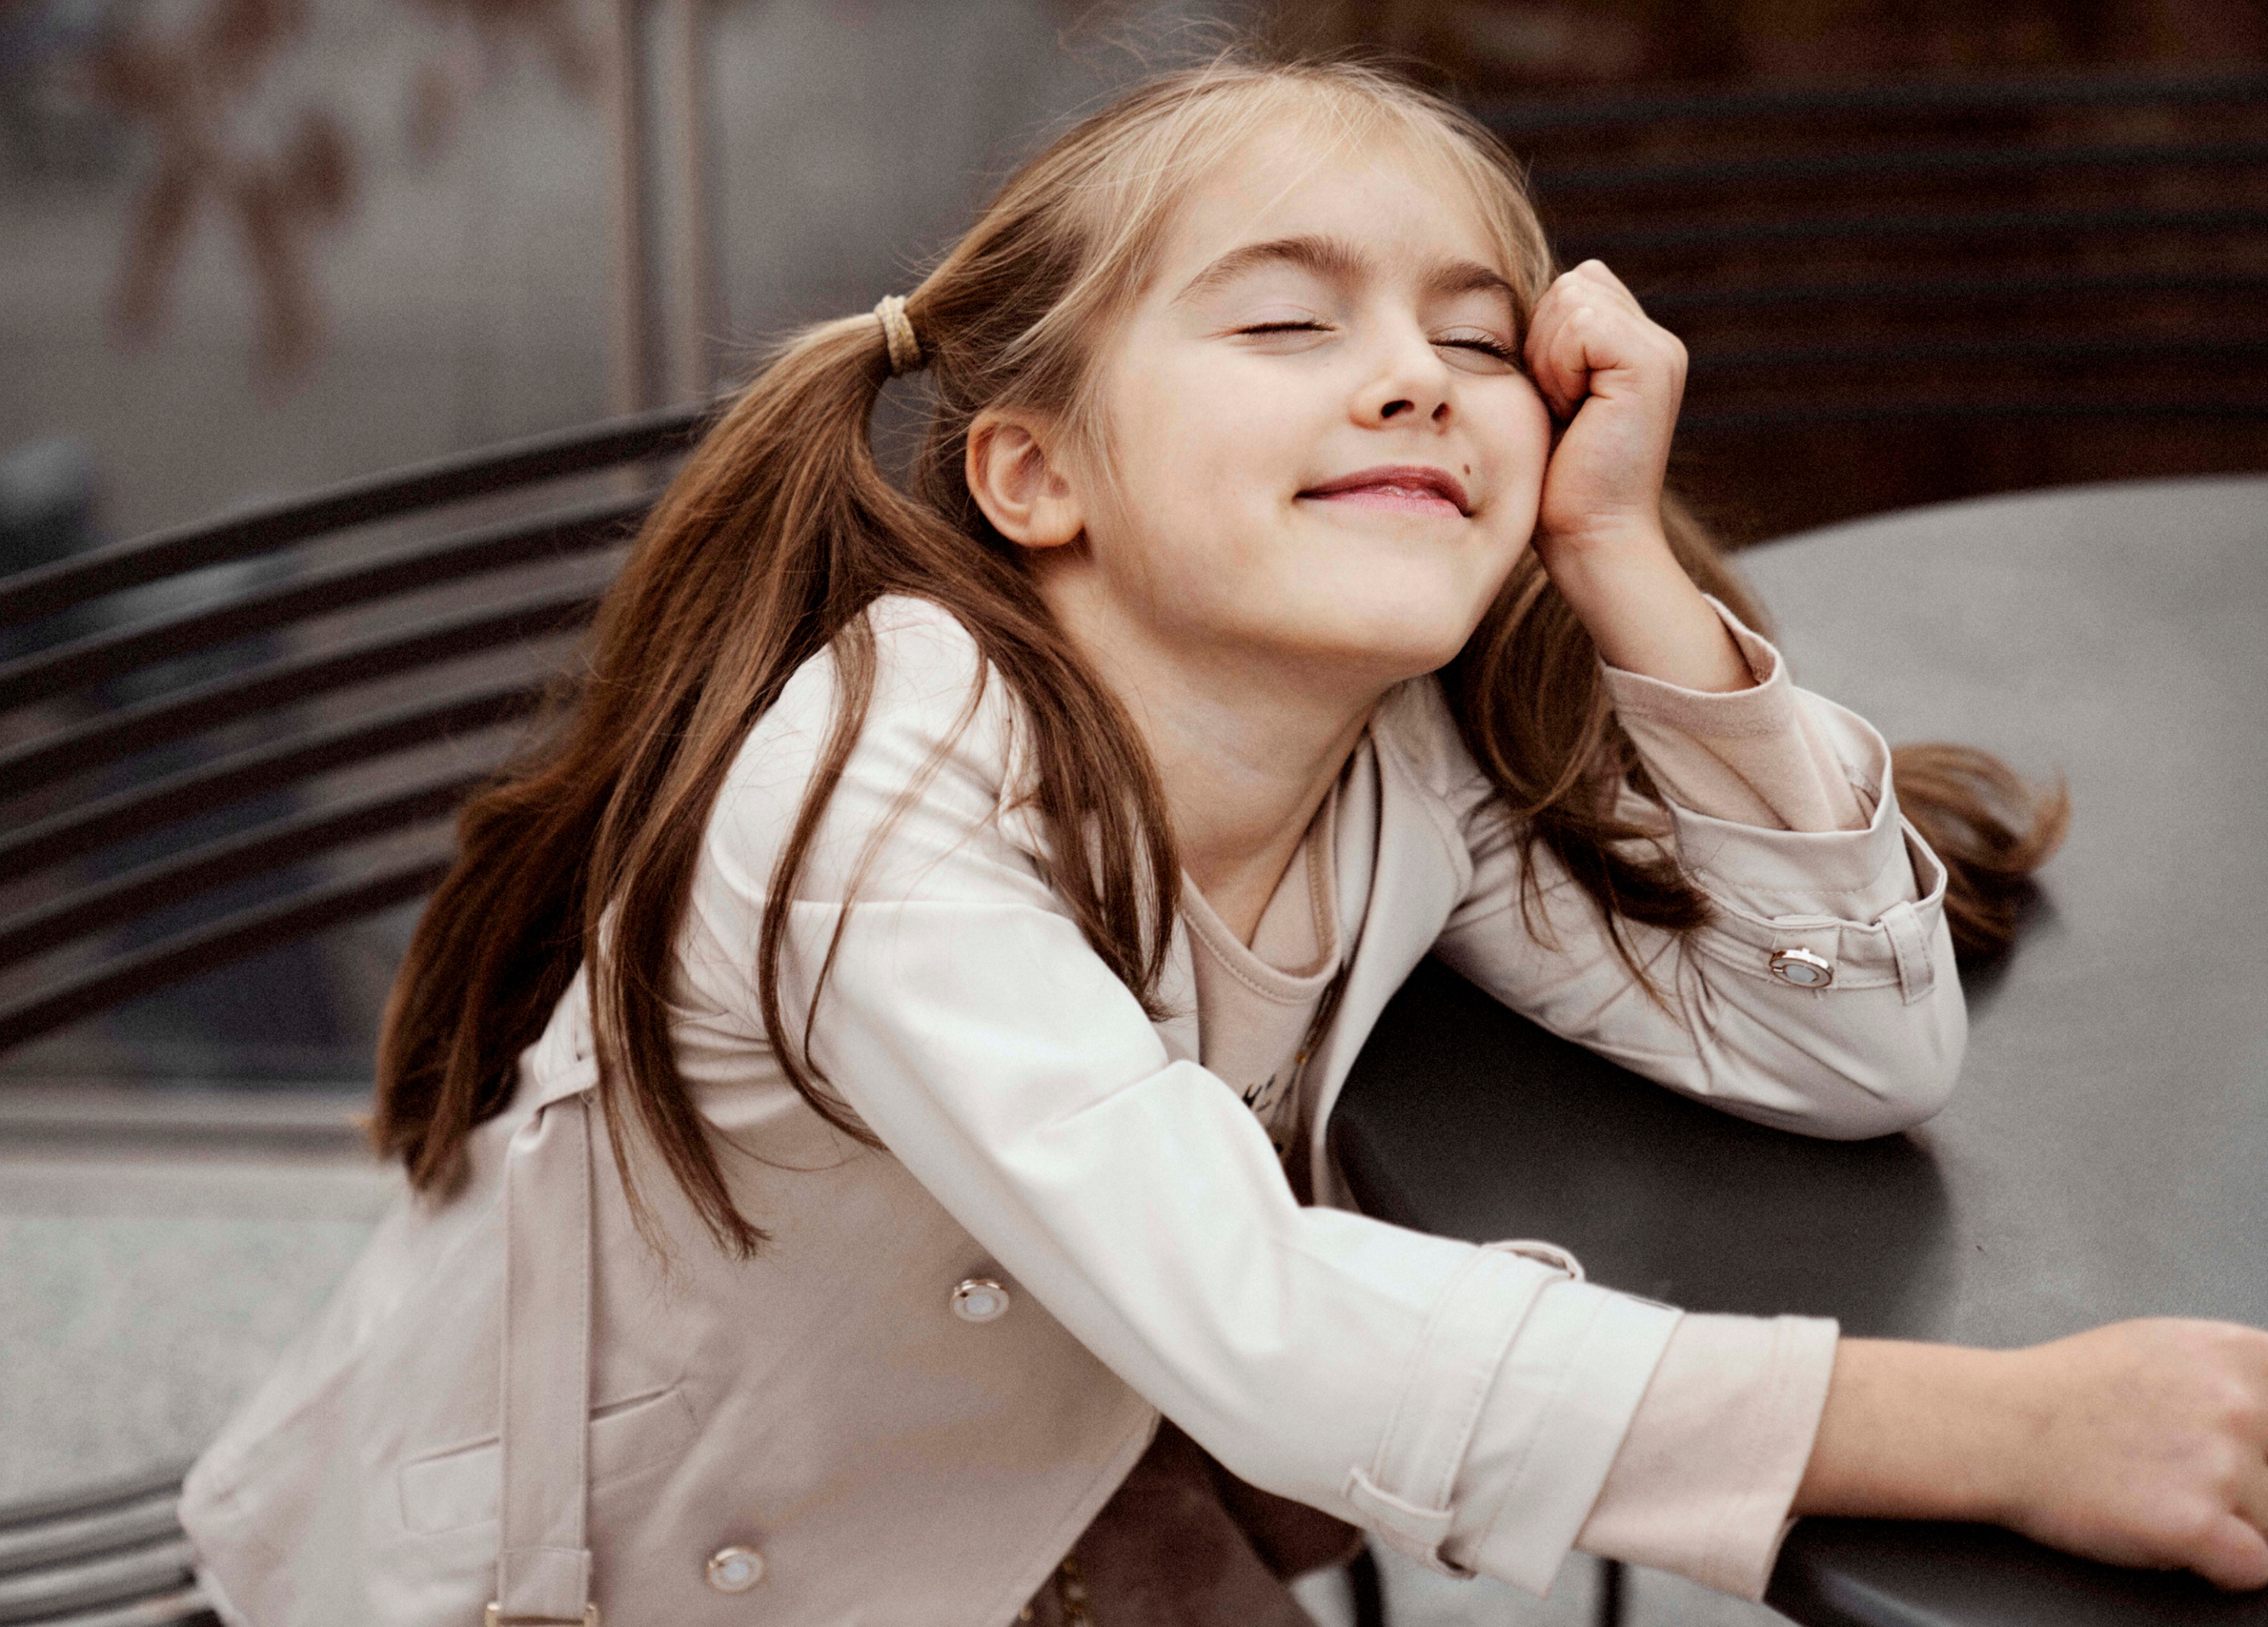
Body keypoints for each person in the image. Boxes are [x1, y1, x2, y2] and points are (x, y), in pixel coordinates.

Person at [180, 53, 2268, 1627]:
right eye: (1287, 324)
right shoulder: (875, 794)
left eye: (1475, 339)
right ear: (1032, 471)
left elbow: (1857, 1053)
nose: (1408, 382)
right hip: (611, 1567)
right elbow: (1264, 1326)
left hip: (1034, 1469)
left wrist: (1621, 555)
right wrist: (1997, 1429)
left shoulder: (1397, 758)